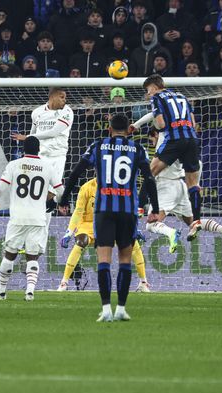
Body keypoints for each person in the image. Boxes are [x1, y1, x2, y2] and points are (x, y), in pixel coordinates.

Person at [59, 114, 160, 322]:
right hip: (128, 211)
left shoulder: (99, 145)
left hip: (104, 210)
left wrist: (64, 198)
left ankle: (106, 309)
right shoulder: (138, 149)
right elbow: (149, 179)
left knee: (103, 260)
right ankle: (121, 308)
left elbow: (76, 172)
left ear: (109, 128)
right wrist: (155, 208)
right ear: (129, 130)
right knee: (125, 260)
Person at [131, 127, 222, 255]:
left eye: (151, 139)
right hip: (181, 187)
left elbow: (157, 117)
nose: (151, 143)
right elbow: (199, 163)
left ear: (156, 134)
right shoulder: (182, 145)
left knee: (151, 225)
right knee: (194, 223)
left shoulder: (165, 141)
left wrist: (136, 124)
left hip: (166, 186)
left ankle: (171, 233)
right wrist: (196, 183)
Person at [0, 136, 63, 301]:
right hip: (38, 218)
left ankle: (1, 291)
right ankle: (29, 292)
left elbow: (0, 188)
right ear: (39, 150)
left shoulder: (14, 165)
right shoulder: (47, 167)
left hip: (18, 218)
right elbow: (61, 191)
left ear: (23, 149)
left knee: (9, 254)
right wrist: (55, 201)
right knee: (32, 255)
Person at [58, 178, 152, 293]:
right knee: (81, 242)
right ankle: (64, 282)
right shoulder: (86, 188)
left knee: (132, 242)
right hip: (88, 225)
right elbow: (78, 211)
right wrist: (69, 233)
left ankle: (143, 282)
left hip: (110, 223)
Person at [139, 74, 203, 240]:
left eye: (148, 90)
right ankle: (196, 221)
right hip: (192, 139)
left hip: (174, 139)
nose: (148, 94)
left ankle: (139, 208)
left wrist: (162, 130)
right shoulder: (182, 97)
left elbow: (161, 124)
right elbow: (194, 123)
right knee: (193, 184)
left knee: (149, 171)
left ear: (153, 86)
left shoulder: (157, 97)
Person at [10, 87, 73, 252]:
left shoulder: (67, 112)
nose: (64, 100)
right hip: (39, 158)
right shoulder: (37, 112)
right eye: (62, 97)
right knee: (34, 197)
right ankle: (29, 242)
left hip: (57, 158)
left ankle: (37, 244)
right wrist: (27, 148)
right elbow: (33, 134)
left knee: (49, 199)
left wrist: (28, 137)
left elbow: (54, 132)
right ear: (53, 97)